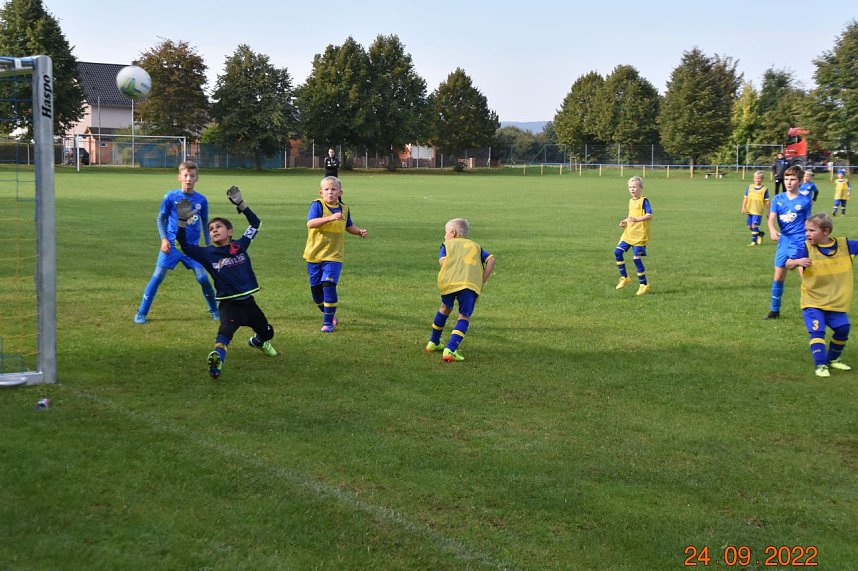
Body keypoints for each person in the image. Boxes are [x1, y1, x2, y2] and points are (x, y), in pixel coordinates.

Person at [175, 186, 277, 380]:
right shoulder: (207, 253)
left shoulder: (240, 245)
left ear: (229, 231)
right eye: (211, 229)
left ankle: (258, 342)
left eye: (218, 227)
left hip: (249, 304)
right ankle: (217, 362)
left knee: (268, 333)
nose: (214, 230)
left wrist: (241, 204)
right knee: (224, 335)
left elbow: (255, 223)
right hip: (229, 306)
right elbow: (184, 245)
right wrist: (182, 221)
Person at [133, 160, 219, 324]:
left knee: (203, 278)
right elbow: (160, 219)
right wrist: (164, 239)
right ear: (179, 177)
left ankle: (215, 311)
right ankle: (141, 313)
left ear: (197, 178)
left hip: (192, 248)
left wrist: (209, 245)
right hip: (171, 246)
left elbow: (204, 222)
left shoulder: (202, 200)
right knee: (158, 276)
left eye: (192, 176)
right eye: (185, 175)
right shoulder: (171, 196)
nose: (188, 179)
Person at [785, 212, 858, 377]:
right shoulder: (806, 247)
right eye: (806, 230)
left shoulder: (845, 246)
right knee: (817, 331)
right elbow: (788, 263)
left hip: (836, 302)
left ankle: (833, 359)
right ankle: (821, 365)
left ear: (826, 231)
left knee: (843, 329)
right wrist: (797, 262)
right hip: (813, 301)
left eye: (811, 230)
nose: (807, 234)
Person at [424, 218, 495, 362]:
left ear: (453, 233)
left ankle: (434, 342)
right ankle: (450, 349)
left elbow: (443, 262)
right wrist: (482, 280)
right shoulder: (476, 246)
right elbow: (491, 260)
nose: (444, 235)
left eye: (445, 232)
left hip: (450, 282)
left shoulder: (447, 245)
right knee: (463, 316)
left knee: (445, 308)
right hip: (469, 284)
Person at [303, 176, 367, 332]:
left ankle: (328, 323)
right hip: (314, 255)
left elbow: (348, 225)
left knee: (329, 286)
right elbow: (311, 223)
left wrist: (358, 231)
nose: (330, 192)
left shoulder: (344, 209)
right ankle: (329, 314)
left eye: (333, 189)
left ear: (340, 193)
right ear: (321, 192)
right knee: (317, 294)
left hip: (334, 256)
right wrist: (330, 218)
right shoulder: (317, 205)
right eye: (326, 189)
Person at [765, 165, 814, 319]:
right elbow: (771, 218)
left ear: (799, 181)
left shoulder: (805, 201)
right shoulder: (778, 199)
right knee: (778, 277)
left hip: (799, 241)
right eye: (786, 179)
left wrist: (810, 238)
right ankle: (774, 311)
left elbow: (807, 222)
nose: (788, 182)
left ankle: (814, 310)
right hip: (783, 240)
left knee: (806, 277)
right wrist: (772, 230)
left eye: (792, 179)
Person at [614, 176, 652, 296]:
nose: (632, 189)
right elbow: (631, 216)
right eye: (630, 187)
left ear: (641, 188)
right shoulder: (631, 201)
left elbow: (649, 215)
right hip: (629, 233)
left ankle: (644, 285)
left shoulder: (644, 200)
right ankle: (625, 277)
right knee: (617, 252)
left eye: (635, 187)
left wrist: (636, 219)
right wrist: (625, 221)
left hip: (640, 235)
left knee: (636, 259)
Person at [740, 170, 769, 246]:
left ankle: (754, 241)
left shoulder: (764, 189)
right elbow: (745, 198)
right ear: (753, 178)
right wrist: (743, 207)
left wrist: (768, 211)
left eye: (759, 178)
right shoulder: (749, 187)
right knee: (749, 226)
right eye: (756, 178)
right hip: (749, 209)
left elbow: (767, 201)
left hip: (757, 210)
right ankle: (760, 233)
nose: (757, 180)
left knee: (754, 225)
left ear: (762, 179)